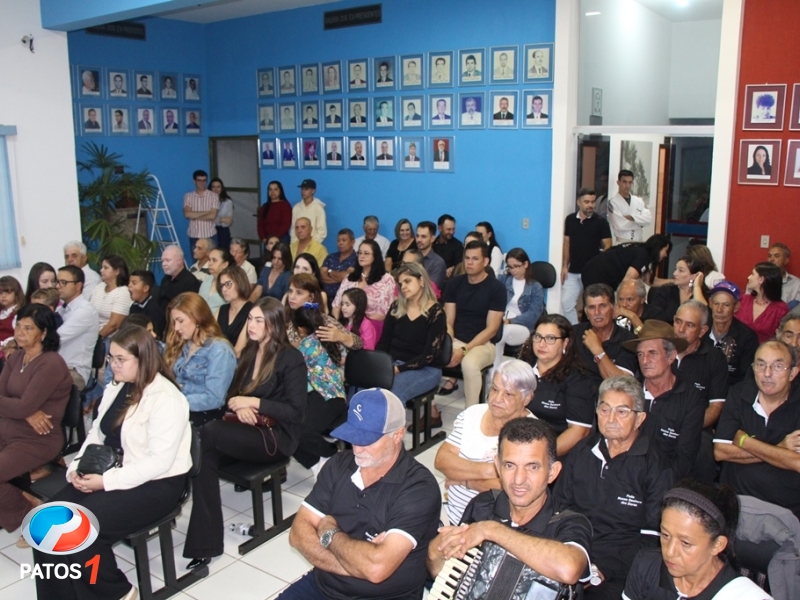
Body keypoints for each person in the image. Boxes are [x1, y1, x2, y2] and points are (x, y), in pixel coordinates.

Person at [32, 324, 191, 600]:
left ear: (143, 359)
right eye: (110, 358)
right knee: (45, 521)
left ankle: (118, 592)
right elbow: (97, 433)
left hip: (157, 484)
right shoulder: (118, 386)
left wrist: (104, 482)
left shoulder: (167, 398)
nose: (113, 365)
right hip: (111, 470)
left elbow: (159, 462)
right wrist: (76, 468)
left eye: (120, 359)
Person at [285, 388, 440, 599]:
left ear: (397, 435)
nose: (357, 449)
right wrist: (355, 567)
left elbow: (376, 568)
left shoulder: (418, 488)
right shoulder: (338, 465)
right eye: (353, 436)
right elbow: (297, 534)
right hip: (323, 586)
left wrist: (329, 532)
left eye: (368, 440)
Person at [183, 297, 305, 568]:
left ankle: (178, 499)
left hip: (277, 437)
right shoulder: (250, 352)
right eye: (250, 319)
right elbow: (229, 396)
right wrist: (241, 407)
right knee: (203, 455)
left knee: (206, 433)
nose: (251, 325)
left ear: (274, 324)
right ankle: (205, 543)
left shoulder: (291, 358)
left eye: (259, 320)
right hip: (248, 430)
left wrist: (255, 403)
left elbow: (296, 412)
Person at [427, 418, 592, 592]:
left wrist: (491, 530)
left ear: (552, 472)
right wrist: (434, 553)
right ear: (498, 466)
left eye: (532, 467)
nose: (518, 480)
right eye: (510, 465)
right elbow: (445, 574)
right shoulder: (483, 505)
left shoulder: (570, 522)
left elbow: (569, 569)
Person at [554, 376, 674, 600]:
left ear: (639, 419)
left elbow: (653, 536)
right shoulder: (582, 451)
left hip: (620, 569)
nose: (611, 419)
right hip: (573, 551)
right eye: (605, 409)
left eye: (621, 412)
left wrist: (602, 570)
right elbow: (560, 509)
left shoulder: (655, 465)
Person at [624, 480, 771, 600]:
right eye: (665, 535)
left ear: (717, 545)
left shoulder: (743, 596)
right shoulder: (647, 565)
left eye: (685, 543)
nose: (670, 552)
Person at [0, 304, 71, 538]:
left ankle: (29, 514)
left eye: (28, 328)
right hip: (8, 428)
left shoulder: (51, 363)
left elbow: (22, 406)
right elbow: (18, 405)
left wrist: (23, 409)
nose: (19, 332)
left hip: (37, 439)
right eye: (18, 326)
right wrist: (26, 411)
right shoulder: (17, 356)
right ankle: (18, 499)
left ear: (43, 333)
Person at [435, 360, 535, 525]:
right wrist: (492, 470)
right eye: (494, 389)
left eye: (508, 394)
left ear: (527, 398)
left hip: (495, 525)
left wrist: (465, 482)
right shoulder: (473, 413)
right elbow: (442, 461)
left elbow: (512, 487)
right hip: (452, 516)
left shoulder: (532, 433)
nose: (497, 399)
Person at [714, 339, 800, 518]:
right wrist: (780, 447)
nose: (767, 373)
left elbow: (797, 463)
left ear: (793, 373)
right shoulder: (739, 393)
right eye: (761, 365)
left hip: (787, 510)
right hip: (736, 503)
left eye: (777, 366)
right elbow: (721, 452)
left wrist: (744, 441)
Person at [621, 320, 705, 479]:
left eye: (652, 353)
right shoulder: (627, 393)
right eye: (640, 354)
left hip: (668, 481)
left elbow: (684, 459)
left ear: (671, 356)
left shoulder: (690, 398)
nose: (644, 361)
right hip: (626, 478)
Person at [519, 314, 599, 456]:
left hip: (556, 451)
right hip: (517, 441)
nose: (541, 344)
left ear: (565, 343)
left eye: (550, 338)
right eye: (538, 336)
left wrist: (540, 456)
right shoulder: (522, 367)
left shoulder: (578, 379)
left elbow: (579, 431)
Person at [441, 241, 506, 405]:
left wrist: (464, 350)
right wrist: (449, 345)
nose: (469, 262)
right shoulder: (454, 284)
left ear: (486, 262)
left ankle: (471, 413)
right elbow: (448, 321)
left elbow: (492, 329)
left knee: (469, 364)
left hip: (483, 344)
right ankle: (431, 409)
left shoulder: (497, 288)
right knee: (426, 355)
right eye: (467, 258)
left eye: (475, 259)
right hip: (456, 340)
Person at [290, 302, 347, 476]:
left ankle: (332, 455)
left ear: (300, 329)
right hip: (334, 397)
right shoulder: (323, 339)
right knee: (291, 428)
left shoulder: (306, 346)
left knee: (295, 430)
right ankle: (319, 463)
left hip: (325, 398)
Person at [376, 262, 447, 401]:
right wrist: (380, 364)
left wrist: (399, 369)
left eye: (407, 281)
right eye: (400, 283)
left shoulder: (436, 313)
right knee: (363, 385)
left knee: (393, 393)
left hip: (426, 368)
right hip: (393, 363)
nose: (403, 286)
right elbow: (384, 342)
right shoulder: (396, 307)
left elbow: (429, 356)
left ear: (421, 281)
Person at [164, 292, 237, 427]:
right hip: (178, 409)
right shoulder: (184, 344)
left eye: (180, 321)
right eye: (174, 322)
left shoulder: (220, 350)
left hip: (202, 418)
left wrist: (174, 401)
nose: (176, 328)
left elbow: (214, 398)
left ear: (197, 317)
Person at [562, 187, 612, 324]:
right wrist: (564, 266)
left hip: (592, 272)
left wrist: (601, 265)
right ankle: (575, 329)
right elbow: (567, 243)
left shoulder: (601, 222)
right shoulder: (570, 220)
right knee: (566, 303)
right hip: (573, 271)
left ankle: (591, 329)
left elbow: (608, 246)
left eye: (592, 202)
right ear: (579, 202)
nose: (590, 205)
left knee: (592, 304)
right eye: (587, 202)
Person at [332, 239, 397, 339]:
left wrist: (360, 324)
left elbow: (386, 312)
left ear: (375, 256)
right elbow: (336, 306)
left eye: (366, 253)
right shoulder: (349, 278)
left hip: (372, 329)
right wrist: (341, 326)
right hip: (345, 327)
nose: (362, 256)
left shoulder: (386, 280)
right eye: (360, 253)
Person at [285, 274, 363, 353]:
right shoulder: (283, 316)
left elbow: (359, 343)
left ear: (311, 297)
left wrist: (341, 336)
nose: (292, 296)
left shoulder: (323, 320)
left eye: (299, 293)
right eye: (290, 291)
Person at [492, 248, 544, 368]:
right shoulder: (503, 280)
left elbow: (533, 315)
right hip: (501, 322)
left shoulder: (536, 287)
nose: (513, 270)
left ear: (525, 264)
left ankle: (494, 372)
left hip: (524, 327)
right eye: (510, 267)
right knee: (497, 332)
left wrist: (510, 321)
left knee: (500, 332)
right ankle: (494, 372)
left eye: (516, 266)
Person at [576, 283, 639, 380]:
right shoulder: (574, 333)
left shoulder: (628, 340)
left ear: (614, 309)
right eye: (592, 307)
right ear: (586, 313)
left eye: (602, 306)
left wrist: (598, 351)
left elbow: (620, 383)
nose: (597, 312)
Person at [705, 281, 759, 387]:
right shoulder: (700, 330)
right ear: (710, 303)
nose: (719, 310)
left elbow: (745, 378)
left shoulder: (747, 337)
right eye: (716, 304)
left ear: (736, 307)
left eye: (726, 305)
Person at [56, 266, 99, 391]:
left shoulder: (85, 311)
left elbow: (55, 338)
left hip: (74, 371)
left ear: (78, 286)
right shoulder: (61, 309)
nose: (58, 286)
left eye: (63, 282)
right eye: (57, 282)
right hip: (57, 367)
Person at [581, 234, 672, 292]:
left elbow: (650, 281)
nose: (666, 255)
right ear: (658, 248)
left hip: (592, 269)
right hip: (598, 273)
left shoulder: (640, 251)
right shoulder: (643, 255)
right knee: (599, 305)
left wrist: (673, 281)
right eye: (666, 251)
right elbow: (628, 280)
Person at [736, 262, 789, 343]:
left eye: (752, 274)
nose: (748, 277)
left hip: (764, 349)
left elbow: (782, 337)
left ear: (761, 279)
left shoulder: (780, 309)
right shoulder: (742, 299)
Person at [647, 255, 709, 324]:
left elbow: (705, 318)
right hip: (665, 330)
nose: (674, 273)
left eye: (681, 270)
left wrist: (697, 286)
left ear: (694, 276)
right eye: (675, 269)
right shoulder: (666, 290)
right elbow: (654, 316)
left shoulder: (704, 294)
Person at [214, 265, 253, 357]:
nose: (223, 289)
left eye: (228, 284)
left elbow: (239, 351)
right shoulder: (222, 309)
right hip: (217, 356)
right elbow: (208, 336)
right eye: (221, 286)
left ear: (240, 283)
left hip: (237, 361)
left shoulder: (252, 311)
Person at [90, 255, 132, 339]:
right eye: (102, 267)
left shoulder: (123, 292)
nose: (101, 270)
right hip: (91, 333)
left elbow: (114, 325)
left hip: (109, 338)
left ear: (116, 271)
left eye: (105, 268)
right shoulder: (99, 287)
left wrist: (96, 339)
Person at [607, 169, 653, 244]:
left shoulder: (639, 201)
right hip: (622, 243)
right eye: (624, 182)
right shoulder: (612, 203)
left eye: (630, 182)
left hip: (639, 242)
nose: (627, 185)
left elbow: (648, 220)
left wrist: (632, 217)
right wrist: (640, 223)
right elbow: (620, 225)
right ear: (618, 183)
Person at [183, 169, 220, 249]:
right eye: (199, 180)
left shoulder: (213, 196)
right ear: (194, 181)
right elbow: (187, 214)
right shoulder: (188, 196)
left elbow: (212, 216)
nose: (202, 183)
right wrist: (207, 212)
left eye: (204, 180)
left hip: (209, 235)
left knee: (212, 256)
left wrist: (194, 216)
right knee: (195, 256)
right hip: (194, 235)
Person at [158, 245, 201, 311]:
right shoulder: (165, 279)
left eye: (167, 260)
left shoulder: (190, 282)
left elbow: (189, 308)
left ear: (179, 261)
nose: (164, 264)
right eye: (162, 261)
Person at [321, 229, 357, 303]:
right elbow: (321, 276)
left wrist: (329, 272)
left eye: (344, 240)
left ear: (352, 242)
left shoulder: (356, 260)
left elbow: (346, 277)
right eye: (338, 240)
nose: (340, 243)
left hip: (345, 301)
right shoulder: (330, 257)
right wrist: (339, 279)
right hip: (324, 298)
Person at [128, 269, 166, 338]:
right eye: (129, 282)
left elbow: (156, 335)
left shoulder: (154, 310)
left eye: (134, 283)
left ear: (145, 288)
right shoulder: (134, 306)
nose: (129, 285)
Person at [291, 179, 327, 244]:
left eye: (306, 189)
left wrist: (311, 244)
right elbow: (293, 228)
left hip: (313, 245)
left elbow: (322, 231)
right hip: (297, 245)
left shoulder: (318, 208)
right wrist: (294, 243)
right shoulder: (296, 208)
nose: (303, 191)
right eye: (302, 189)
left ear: (313, 191)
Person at [257, 180, 292, 246]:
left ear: (280, 191)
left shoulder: (285, 205)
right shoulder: (264, 207)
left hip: (282, 239)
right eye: (270, 189)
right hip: (268, 240)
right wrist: (263, 238)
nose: (272, 192)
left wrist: (274, 238)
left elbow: (286, 225)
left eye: (275, 189)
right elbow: (260, 225)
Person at [415, 221, 448, 290]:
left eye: (423, 237)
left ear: (432, 239)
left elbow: (431, 290)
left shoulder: (438, 263)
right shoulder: (410, 257)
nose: (419, 240)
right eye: (417, 236)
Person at [0, 277, 24, 357]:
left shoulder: (19, 313)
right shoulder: (1, 312)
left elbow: (19, 335)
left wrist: (6, 344)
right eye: (0, 292)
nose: (3, 296)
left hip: (11, 352)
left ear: (16, 293)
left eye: (8, 292)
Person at [433, 213, 463, 278]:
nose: (451, 232)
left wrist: (453, 269)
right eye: (448, 229)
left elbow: (460, 267)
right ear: (440, 228)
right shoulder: (432, 243)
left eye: (453, 229)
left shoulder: (458, 246)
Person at [210, 178, 233, 251]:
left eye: (218, 187)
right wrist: (221, 219)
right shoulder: (206, 202)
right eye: (213, 187)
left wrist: (213, 218)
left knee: (223, 253)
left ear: (222, 188)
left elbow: (228, 221)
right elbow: (206, 218)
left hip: (223, 231)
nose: (216, 189)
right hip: (209, 230)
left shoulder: (227, 202)